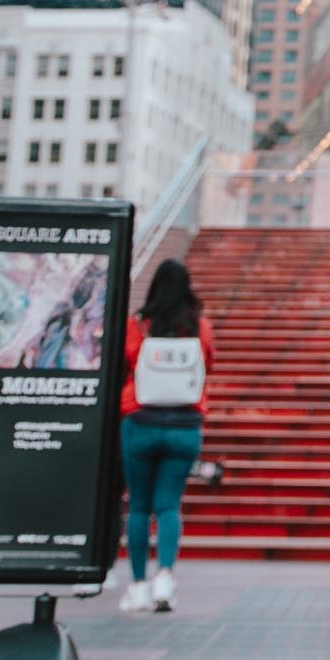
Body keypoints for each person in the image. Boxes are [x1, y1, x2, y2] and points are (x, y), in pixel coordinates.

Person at [119, 257, 213, 614]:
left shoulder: (139, 325)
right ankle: (166, 578)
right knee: (169, 504)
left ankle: (139, 585)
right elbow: (208, 363)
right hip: (185, 424)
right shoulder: (199, 326)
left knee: (140, 505)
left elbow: (127, 360)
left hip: (141, 421)